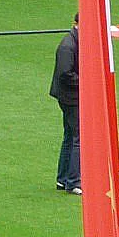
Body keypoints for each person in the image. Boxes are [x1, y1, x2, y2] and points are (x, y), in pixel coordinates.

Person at [49, 14, 81, 196]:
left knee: (70, 136)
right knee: (78, 137)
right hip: (71, 98)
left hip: (69, 96)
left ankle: (63, 179)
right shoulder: (68, 46)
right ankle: (73, 181)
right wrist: (86, 80)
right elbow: (65, 74)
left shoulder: (72, 42)